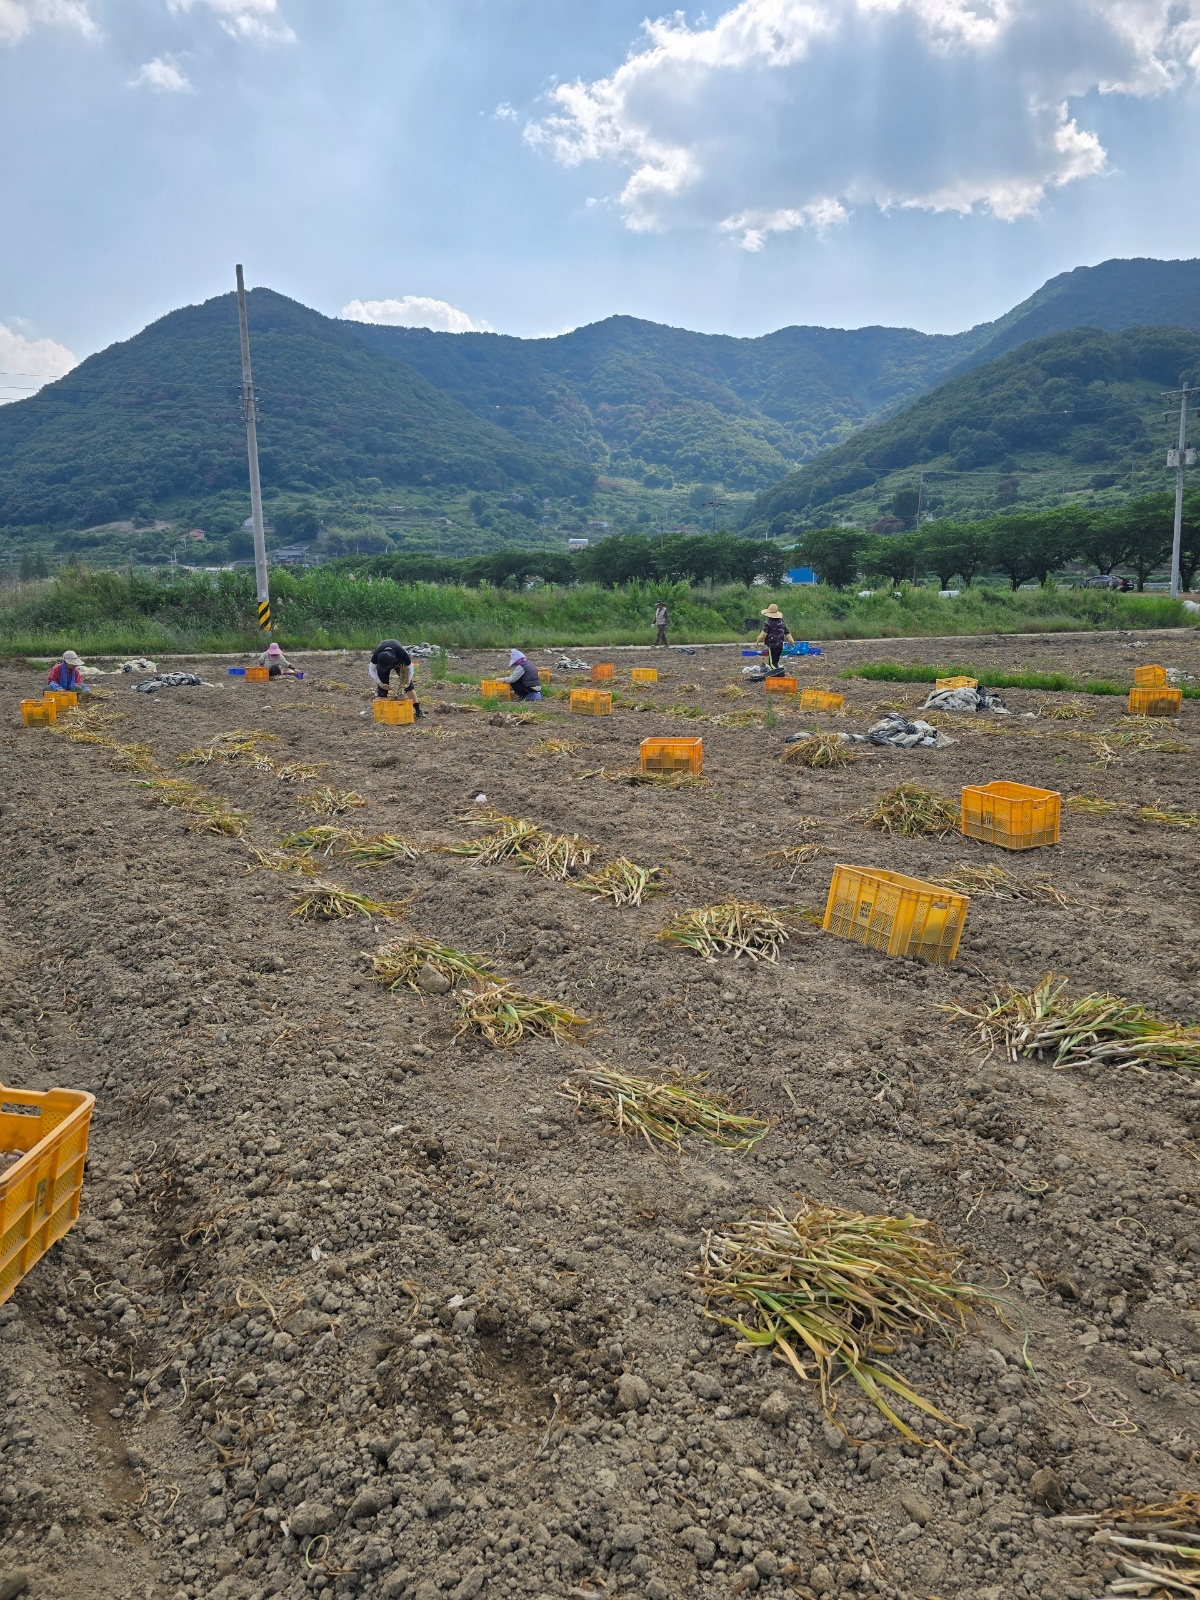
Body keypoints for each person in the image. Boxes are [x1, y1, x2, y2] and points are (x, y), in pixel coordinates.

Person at [369, 639, 424, 717]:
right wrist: (379, 683)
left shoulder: (400, 652)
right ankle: (382, 713)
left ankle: (418, 711)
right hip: (383, 663)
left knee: (409, 687)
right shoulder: (378, 653)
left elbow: (411, 668)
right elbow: (371, 669)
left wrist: (407, 681)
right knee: (382, 691)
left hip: (400, 663)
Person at [756, 604, 794, 673]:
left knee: (772, 663)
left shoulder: (768, 623)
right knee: (776, 661)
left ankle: (777, 673)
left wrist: (758, 640)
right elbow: (787, 633)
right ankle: (777, 671)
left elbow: (763, 634)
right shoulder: (782, 622)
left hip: (772, 646)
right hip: (780, 646)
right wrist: (792, 643)